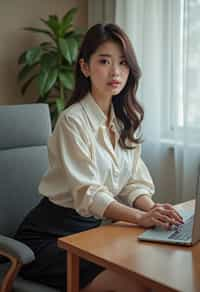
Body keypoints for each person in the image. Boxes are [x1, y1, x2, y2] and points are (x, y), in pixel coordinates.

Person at [15, 23, 183, 292]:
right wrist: (140, 219)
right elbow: (90, 194)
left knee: (158, 272)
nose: (116, 72)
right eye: (104, 61)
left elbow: (132, 182)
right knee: (137, 284)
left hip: (92, 233)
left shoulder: (123, 120)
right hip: (48, 238)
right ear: (85, 67)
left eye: (123, 63)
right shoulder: (72, 121)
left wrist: (152, 209)